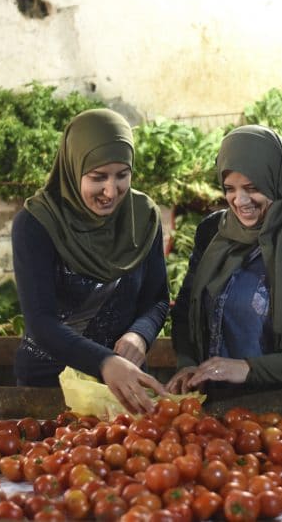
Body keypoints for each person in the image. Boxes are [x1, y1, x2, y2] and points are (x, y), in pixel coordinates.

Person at [166, 124, 282, 394]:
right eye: (230, 188)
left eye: (252, 188)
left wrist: (248, 369)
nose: (239, 200)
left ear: (278, 183)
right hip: (216, 411)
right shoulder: (213, 232)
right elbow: (186, 310)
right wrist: (187, 363)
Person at [11, 108, 169, 414]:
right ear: (73, 166)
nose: (111, 191)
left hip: (124, 385)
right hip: (49, 384)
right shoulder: (37, 223)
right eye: (98, 177)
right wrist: (105, 361)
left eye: (123, 174)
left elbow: (157, 299)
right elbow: (41, 320)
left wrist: (140, 334)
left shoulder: (143, 217)